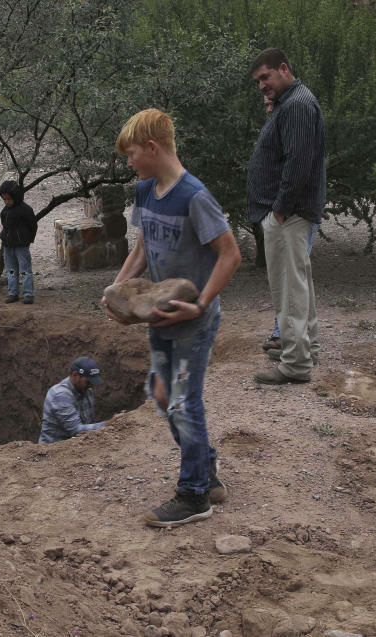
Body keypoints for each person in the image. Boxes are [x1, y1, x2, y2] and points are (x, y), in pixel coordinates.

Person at [105, 108, 241, 528]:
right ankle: (208, 471)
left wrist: (200, 304)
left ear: (152, 147)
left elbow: (231, 254)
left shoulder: (194, 196)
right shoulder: (146, 192)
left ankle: (194, 495)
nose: (128, 162)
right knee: (163, 395)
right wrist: (116, 291)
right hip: (159, 318)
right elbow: (143, 250)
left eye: (131, 154)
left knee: (183, 401)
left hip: (193, 321)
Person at [248, 48, 325, 384]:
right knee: (299, 282)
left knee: (289, 288)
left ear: (284, 69)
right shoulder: (291, 103)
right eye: (258, 82)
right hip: (290, 213)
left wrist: (279, 208)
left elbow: (297, 163)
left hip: (288, 214)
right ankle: (304, 349)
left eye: (265, 77)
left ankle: (295, 365)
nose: (262, 86)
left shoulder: (296, 106)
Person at [38, 357, 105, 444]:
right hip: (52, 451)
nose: (91, 386)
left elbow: (89, 424)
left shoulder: (87, 392)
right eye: (88, 382)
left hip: (76, 447)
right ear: (75, 375)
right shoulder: (60, 395)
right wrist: (108, 425)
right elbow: (76, 430)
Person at [0, 180, 38, 304]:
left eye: (9, 199)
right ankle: (13, 293)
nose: (6, 202)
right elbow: (5, 226)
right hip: (8, 246)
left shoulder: (25, 210)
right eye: (4, 199)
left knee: (25, 269)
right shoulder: (5, 211)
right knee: (11, 270)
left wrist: (28, 240)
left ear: (16, 196)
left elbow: (33, 226)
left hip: (21, 246)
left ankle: (28, 294)